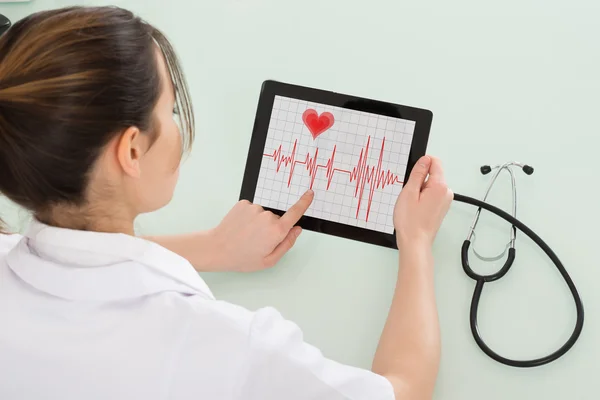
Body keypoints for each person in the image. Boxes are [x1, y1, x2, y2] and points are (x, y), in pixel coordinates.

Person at [0, 6, 453, 400]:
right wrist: (415, 243)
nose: (178, 126)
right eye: (170, 110)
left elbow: (63, 261)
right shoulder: (226, 344)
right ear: (132, 151)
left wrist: (213, 248)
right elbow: (402, 392)